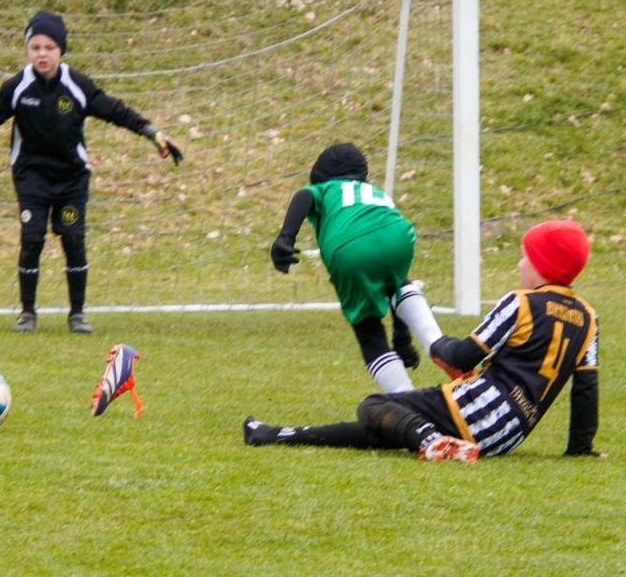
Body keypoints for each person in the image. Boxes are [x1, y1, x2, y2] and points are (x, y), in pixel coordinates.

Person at [245, 219, 603, 463]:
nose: (520, 265)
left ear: (543, 264)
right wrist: (580, 449)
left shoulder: (521, 303)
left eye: (526, 256)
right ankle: (275, 435)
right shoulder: (588, 317)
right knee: (387, 426)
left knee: (374, 405)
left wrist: (437, 344)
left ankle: (432, 441)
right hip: (508, 436)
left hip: (475, 410)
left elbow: (464, 354)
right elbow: (585, 391)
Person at [0, 11, 183, 334]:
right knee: (32, 237)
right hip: (31, 177)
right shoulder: (17, 87)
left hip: (71, 179)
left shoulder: (76, 85)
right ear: (27, 50)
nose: (42, 53)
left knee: (73, 238)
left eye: (49, 47)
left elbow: (114, 110)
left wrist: (152, 133)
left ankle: (77, 314)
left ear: (60, 50)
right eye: (35, 47)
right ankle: (27, 313)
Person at [269, 143, 448, 394]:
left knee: (369, 330)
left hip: (350, 248)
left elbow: (304, 196)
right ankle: (441, 346)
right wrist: (401, 337)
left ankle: (405, 399)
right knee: (398, 283)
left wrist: (286, 237)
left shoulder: (325, 188)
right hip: (399, 235)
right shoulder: (374, 194)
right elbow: (391, 286)